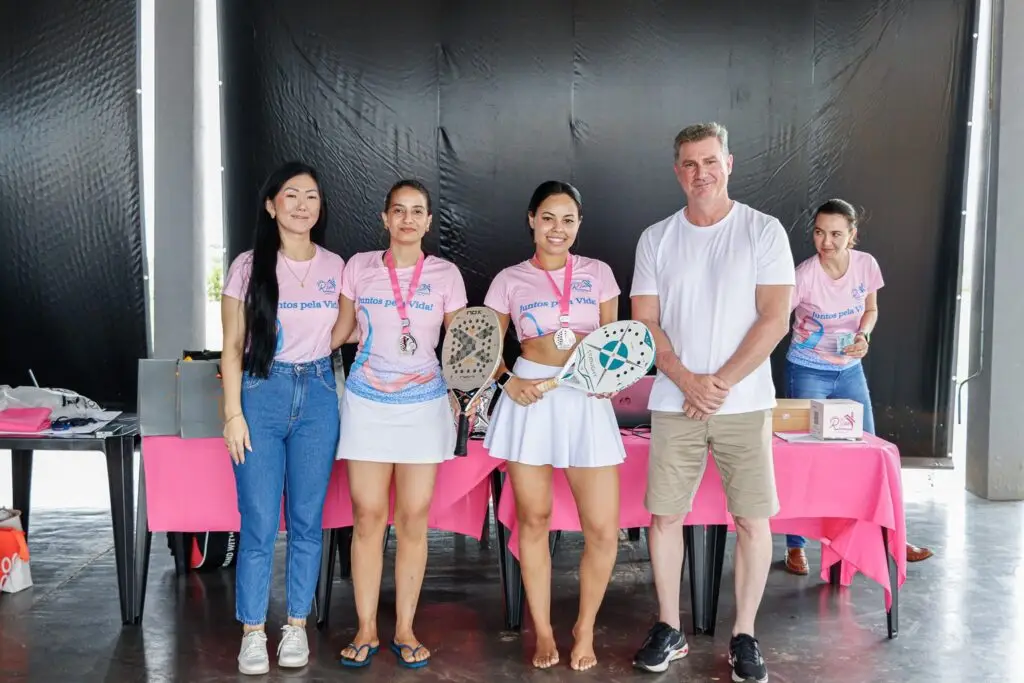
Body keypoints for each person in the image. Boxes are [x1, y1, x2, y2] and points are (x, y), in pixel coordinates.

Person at [629, 122, 794, 683]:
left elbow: (776, 318)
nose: (701, 172)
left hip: (744, 404)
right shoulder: (656, 238)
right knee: (665, 515)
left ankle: (744, 633)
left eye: (710, 161)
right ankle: (669, 626)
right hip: (675, 402)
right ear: (677, 171)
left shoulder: (763, 231)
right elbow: (645, 322)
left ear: (729, 162)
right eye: (689, 164)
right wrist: (684, 378)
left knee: (752, 520)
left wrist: (717, 383)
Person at [483, 181, 625, 672]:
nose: (557, 229)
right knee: (534, 521)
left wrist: (610, 378)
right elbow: (483, 345)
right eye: (548, 218)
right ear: (531, 220)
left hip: (585, 401)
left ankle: (584, 627)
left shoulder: (599, 274)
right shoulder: (508, 279)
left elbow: (615, 343)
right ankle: (542, 629)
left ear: (579, 224)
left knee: (603, 529)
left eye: (567, 220)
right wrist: (506, 383)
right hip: (531, 398)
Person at [330, 179, 467, 669]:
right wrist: (280, 353)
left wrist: (474, 388)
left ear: (429, 222)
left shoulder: (446, 274)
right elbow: (342, 332)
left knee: (412, 520)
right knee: (367, 518)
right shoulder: (359, 268)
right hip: (367, 404)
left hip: (424, 405)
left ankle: (405, 627)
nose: (408, 220)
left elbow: (461, 345)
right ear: (384, 219)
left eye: (417, 212)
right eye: (398, 211)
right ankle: (367, 626)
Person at [221, 162, 345, 676]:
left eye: (311, 196)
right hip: (260, 393)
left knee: (306, 520)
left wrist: (314, 354)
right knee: (258, 520)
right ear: (271, 205)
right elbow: (230, 346)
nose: (301, 205)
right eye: (290, 195)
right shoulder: (248, 267)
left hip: (317, 394)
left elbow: (347, 323)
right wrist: (233, 414)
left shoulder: (337, 265)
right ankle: (253, 631)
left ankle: (296, 625)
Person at [782, 198, 933, 575]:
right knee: (806, 459)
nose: (826, 242)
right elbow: (772, 317)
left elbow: (871, 309)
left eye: (836, 234)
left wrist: (864, 335)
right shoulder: (803, 274)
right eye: (819, 232)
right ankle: (795, 545)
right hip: (806, 370)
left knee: (871, 453)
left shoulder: (866, 265)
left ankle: (888, 537)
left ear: (852, 235)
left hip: (850, 370)